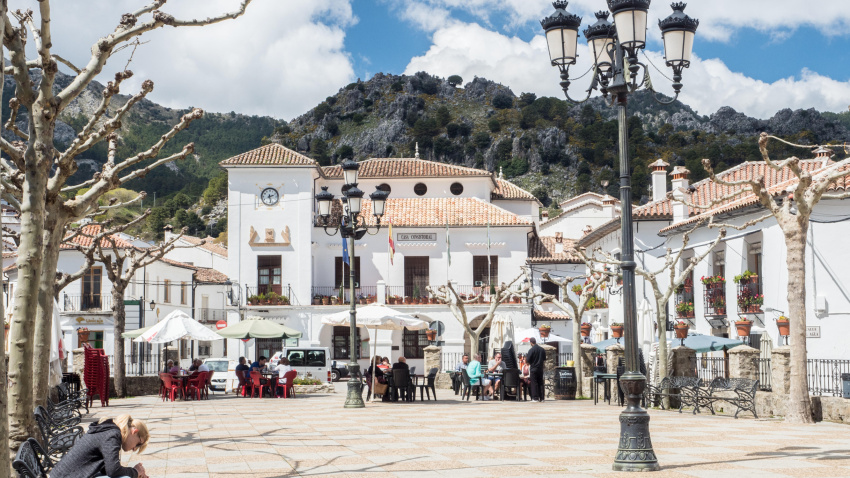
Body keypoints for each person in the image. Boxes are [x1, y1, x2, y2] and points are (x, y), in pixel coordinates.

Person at [50, 414, 150, 478]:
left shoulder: (109, 431)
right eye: (138, 444)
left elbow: (106, 469)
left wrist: (134, 473)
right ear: (134, 432)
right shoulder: (112, 435)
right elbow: (113, 470)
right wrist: (135, 472)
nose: (134, 449)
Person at [525, 337, 546, 402]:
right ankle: (542, 398)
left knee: (534, 383)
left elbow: (528, 360)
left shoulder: (531, 350)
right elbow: (544, 359)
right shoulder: (542, 349)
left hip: (534, 368)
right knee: (540, 382)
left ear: (531, 342)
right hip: (540, 368)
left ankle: (535, 398)